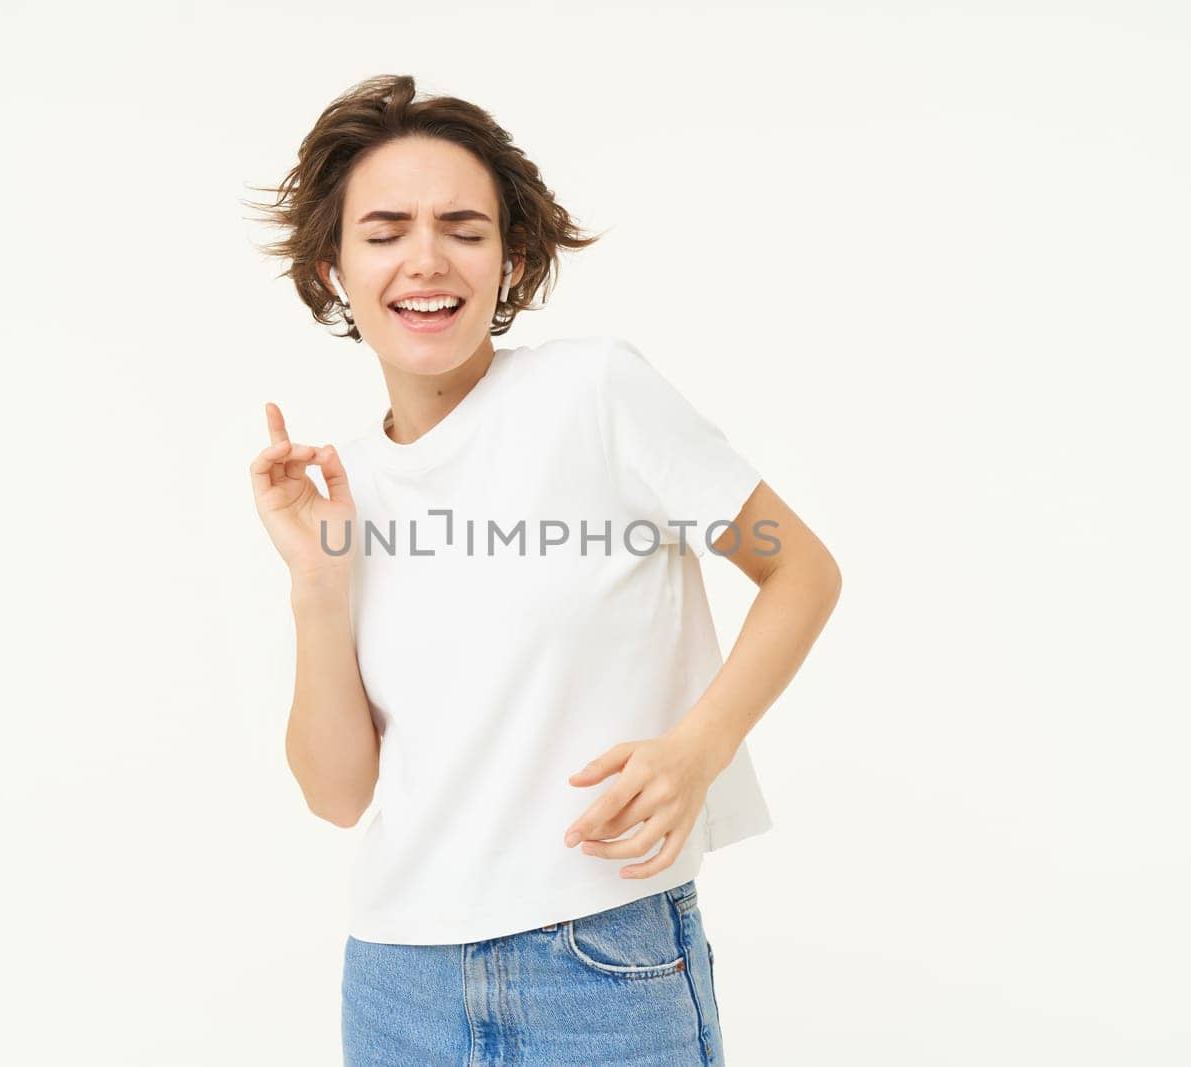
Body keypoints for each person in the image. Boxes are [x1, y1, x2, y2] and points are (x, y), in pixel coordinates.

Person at [246, 74, 841, 1065]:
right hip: (396, 982)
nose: (426, 260)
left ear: (512, 259)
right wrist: (316, 582)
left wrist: (697, 746)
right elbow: (339, 793)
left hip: (600, 967)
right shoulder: (345, 490)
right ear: (330, 270)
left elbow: (801, 569)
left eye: (464, 228)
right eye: (384, 230)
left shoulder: (594, 393)